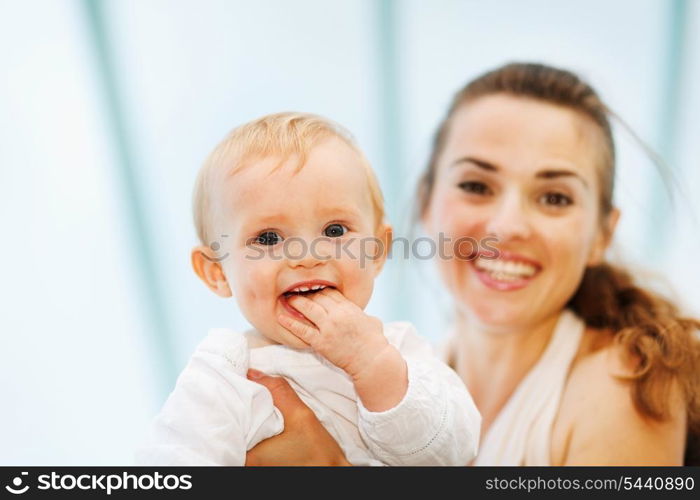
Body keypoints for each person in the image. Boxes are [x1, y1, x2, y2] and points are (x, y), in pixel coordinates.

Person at [244, 63, 700, 466]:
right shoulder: (410, 374)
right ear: (426, 202)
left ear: (602, 234)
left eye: (554, 197)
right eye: (477, 186)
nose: (506, 226)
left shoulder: (627, 385)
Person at [135, 112, 481, 466]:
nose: (308, 256)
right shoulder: (223, 374)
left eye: (334, 230)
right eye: (268, 238)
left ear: (376, 250)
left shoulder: (400, 350)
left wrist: (375, 366)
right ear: (217, 272)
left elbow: (453, 452)